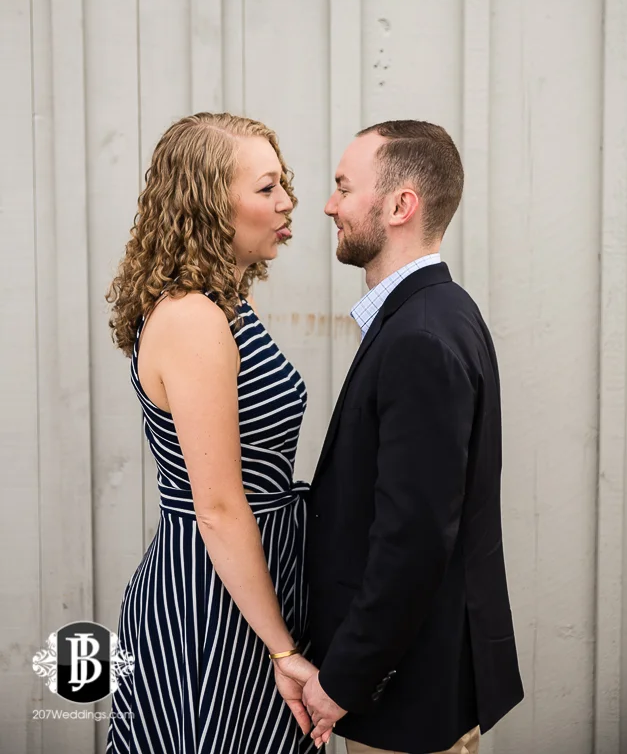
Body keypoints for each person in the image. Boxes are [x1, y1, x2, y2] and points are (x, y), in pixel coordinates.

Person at [104, 112, 331, 754]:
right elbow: (219, 506)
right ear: (208, 204)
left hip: (251, 587)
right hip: (211, 603)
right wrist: (281, 648)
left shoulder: (226, 306)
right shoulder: (191, 318)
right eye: (266, 187)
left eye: (283, 183)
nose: (287, 201)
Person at [302, 121, 524, 754]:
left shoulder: (420, 336)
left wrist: (345, 679)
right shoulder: (437, 312)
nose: (330, 205)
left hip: (406, 701)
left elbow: (415, 537)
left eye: (344, 187)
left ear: (400, 206)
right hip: (415, 686)